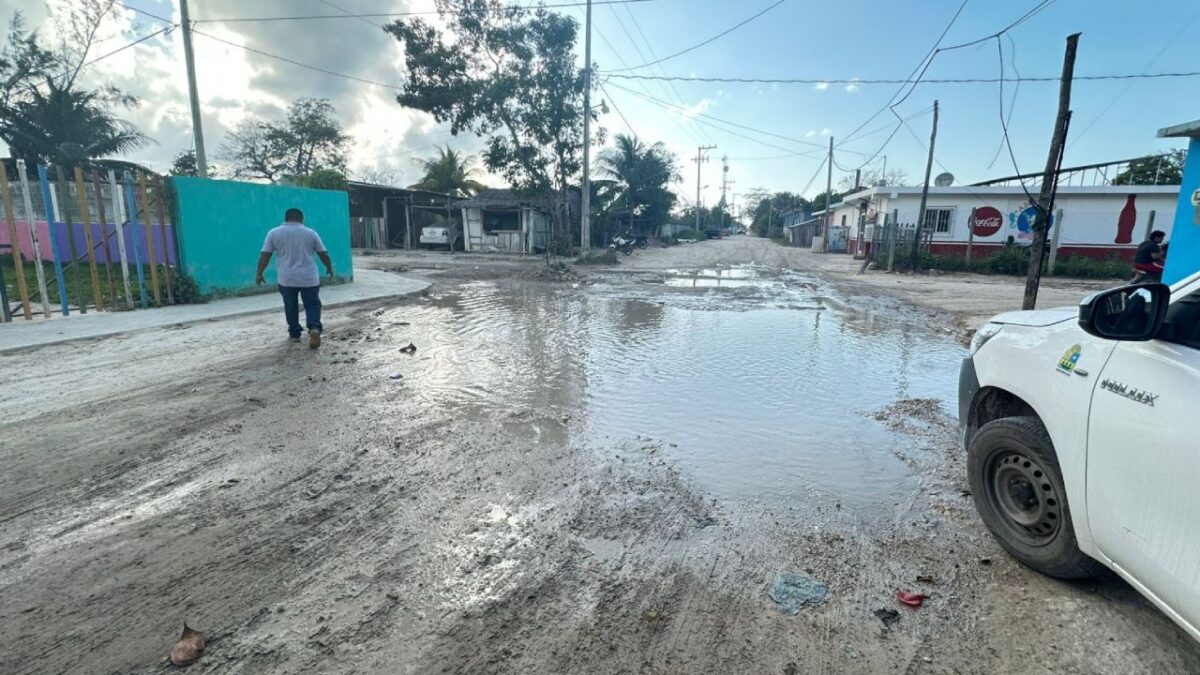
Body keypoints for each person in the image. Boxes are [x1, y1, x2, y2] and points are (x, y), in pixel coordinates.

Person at [256, 208, 334, 348]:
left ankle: (294, 334)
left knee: (290, 305)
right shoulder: (310, 233)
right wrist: (329, 267)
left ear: (285, 218)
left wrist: (259, 273)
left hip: (286, 278)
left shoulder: (273, 233)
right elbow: (323, 253)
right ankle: (314, 328)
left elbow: (265, 255)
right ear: (301, 219)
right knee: (312, 304)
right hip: (309, 277)